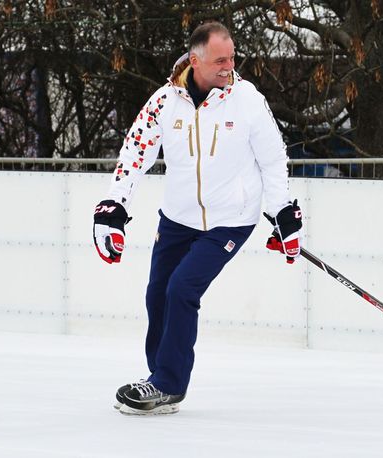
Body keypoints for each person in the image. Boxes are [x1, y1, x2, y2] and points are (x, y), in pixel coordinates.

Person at [93, 21, 303, 416]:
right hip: (178, 218)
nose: (229, 66)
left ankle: (168, 384)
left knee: (182, 289)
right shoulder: (164, 101)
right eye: (220, 60)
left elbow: (273, 159)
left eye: (232, 58)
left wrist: (283, 212)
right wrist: (114, 206)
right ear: (196, 61)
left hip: (231, 219)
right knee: (157, 293)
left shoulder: (247, 100)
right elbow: (135, 152)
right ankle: (159, 377)